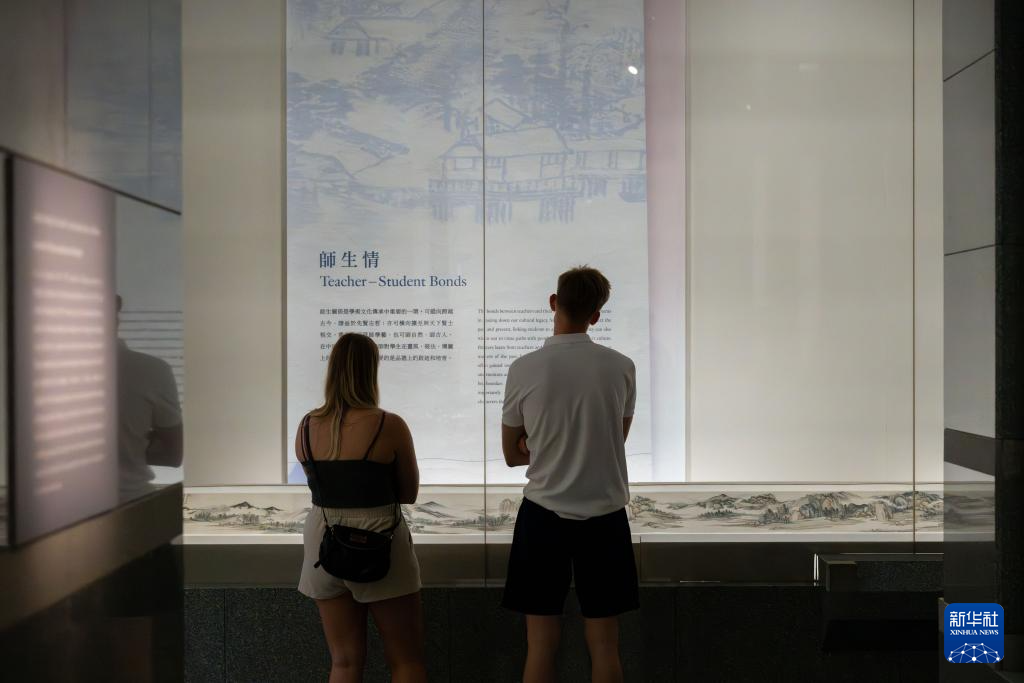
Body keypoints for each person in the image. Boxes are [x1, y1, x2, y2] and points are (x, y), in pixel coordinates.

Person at [500, 266, 639, 683]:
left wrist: (538, 444)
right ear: (596, 314)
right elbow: (613, 441)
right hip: (606, 516)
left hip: (542, 515)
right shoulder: (621, 367)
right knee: (606, 645)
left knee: (540, 644)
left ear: (553, 302)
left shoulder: (524, 368)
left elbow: (511, 454)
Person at [296, 333, 426, 683]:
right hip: (379, 540)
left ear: (332, 369)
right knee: (406, 661)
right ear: (371, 370)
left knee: (344, 662)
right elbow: (408, 493)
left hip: (323, 543)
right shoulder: (389, 425)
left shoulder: (307, 426)